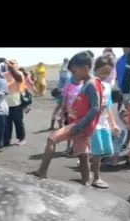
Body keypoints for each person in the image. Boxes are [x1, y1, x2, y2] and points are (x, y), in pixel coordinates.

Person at [30, 51, 103, 186]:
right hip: (83, 124)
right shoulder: (89, 82)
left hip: (80, 125)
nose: (73, 76)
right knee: (82, 153)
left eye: (75, 72)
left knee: (52, 139)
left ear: (85, 68)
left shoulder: (91, 84)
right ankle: (86, 181)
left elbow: (95, 108)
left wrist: (79, 125)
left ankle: (42, 171)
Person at [88, 55, 120, 189]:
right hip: (92, 123)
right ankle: (96, 177)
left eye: (108, 72)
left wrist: (113, 124)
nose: (105, 75)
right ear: (95, 69)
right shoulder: (90, 84)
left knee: (106, 150)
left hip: (104, 122)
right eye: (102, 72)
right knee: (98, 151)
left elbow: (108, 107)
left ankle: (88, 165)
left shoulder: (107, 86)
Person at [4, 60, 26, 146]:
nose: (10, 65)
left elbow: (18, 79)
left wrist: (11, 67)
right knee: (7, 122)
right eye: (9, 64)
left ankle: (21, 138)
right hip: (6, 102)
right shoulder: (4, 74)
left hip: (17, 102)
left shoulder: (19, 74)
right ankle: (7, 139)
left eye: (12, 64)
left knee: (18, 122)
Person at [108, 88, 130, 166]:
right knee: (117, 145)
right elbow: (123, 116)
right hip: (120, 129)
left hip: (110, 128)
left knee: (110, 144)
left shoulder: (108, 105)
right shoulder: (120, 105)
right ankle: (114, 161)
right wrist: (128, 124)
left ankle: (105, 158)